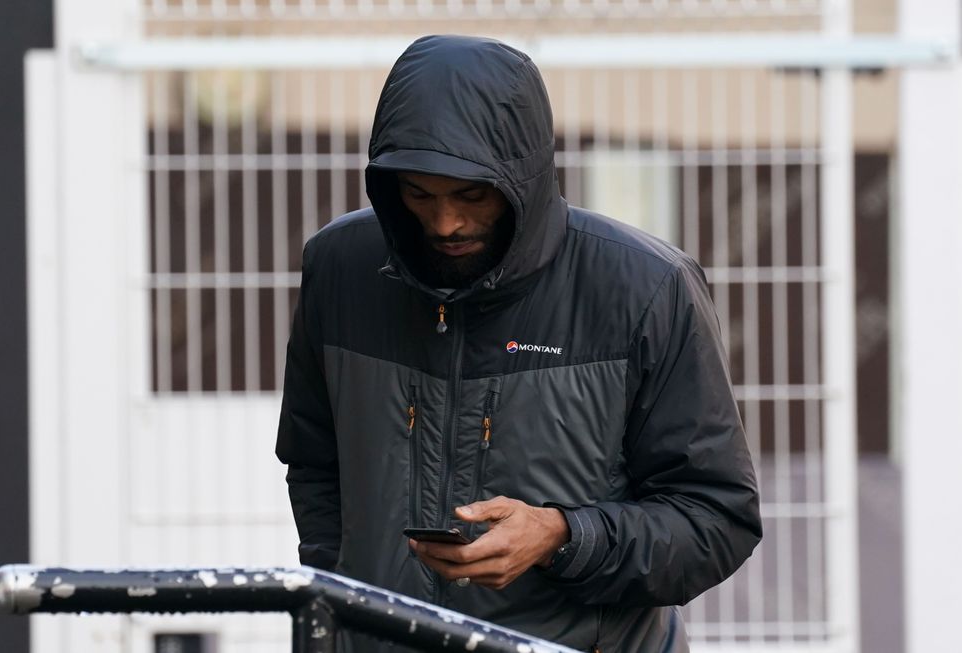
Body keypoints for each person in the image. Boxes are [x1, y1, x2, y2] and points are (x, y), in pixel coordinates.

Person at [276, 34, 762, 652]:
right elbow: (315, 467)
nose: (445, 222)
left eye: (471, 195)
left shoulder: (646, 287)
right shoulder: (340, 267)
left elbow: (716, 519)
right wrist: (344, 610)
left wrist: (562, 537)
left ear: (523, 179)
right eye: (419, 194)